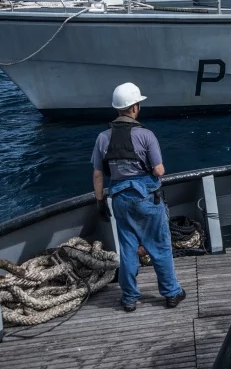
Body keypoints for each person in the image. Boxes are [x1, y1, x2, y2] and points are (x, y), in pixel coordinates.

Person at [92, 82, 185, 313]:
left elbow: (97, 174)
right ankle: (171, 293)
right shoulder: (146, 135)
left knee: (128, 248)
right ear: (135, 107)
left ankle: (130, 298)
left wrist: (100, 202)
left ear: (117, 109)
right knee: (160, 246)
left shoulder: (103, 138)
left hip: (120, 200)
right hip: (147, 199)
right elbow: (159, 170)